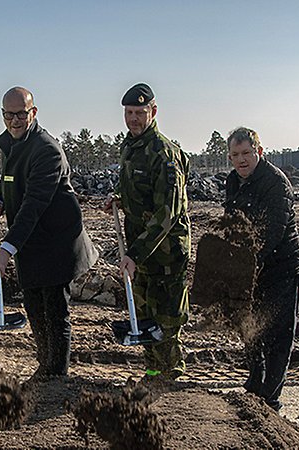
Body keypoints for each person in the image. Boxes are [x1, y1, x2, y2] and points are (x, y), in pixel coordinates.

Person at [0, 86, 98, 380]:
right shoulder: (13, 144)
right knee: (34, 306)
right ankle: (45, 368)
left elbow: (34, 204)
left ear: (33, 112)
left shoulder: (46, 149)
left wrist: (8, 247)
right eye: (9, 115)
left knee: (54, 310)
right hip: (32, 241)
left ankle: (56, 376)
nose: (15, 121)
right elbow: (8, 179)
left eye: (21, 114)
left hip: (57, 242)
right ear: (3, 115)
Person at [103, 83, 191, 381]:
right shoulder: (130, 146)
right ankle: (153, 372)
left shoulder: (164, 153)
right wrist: (118, 196)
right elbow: (134, 186)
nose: (134, 119)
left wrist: (134, 253)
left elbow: (167, 214)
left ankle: (169, 379)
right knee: (143, 314)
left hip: (165, 252)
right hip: (140, 250)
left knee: (165, 319)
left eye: (140, 112)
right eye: (129, 113)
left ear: (153, 112)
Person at [223, 126, 299, 411]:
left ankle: (269, 399)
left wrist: (247, 261)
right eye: (235, 155)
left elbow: (273, 230)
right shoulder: (233, 182)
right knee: (251, 331)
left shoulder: (276, 183)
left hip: (282, 270)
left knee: (278, 336)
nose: (241, 159)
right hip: (252, 269)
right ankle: (254, 385)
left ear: (259, 152)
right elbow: (231, 222)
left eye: (246, 153)